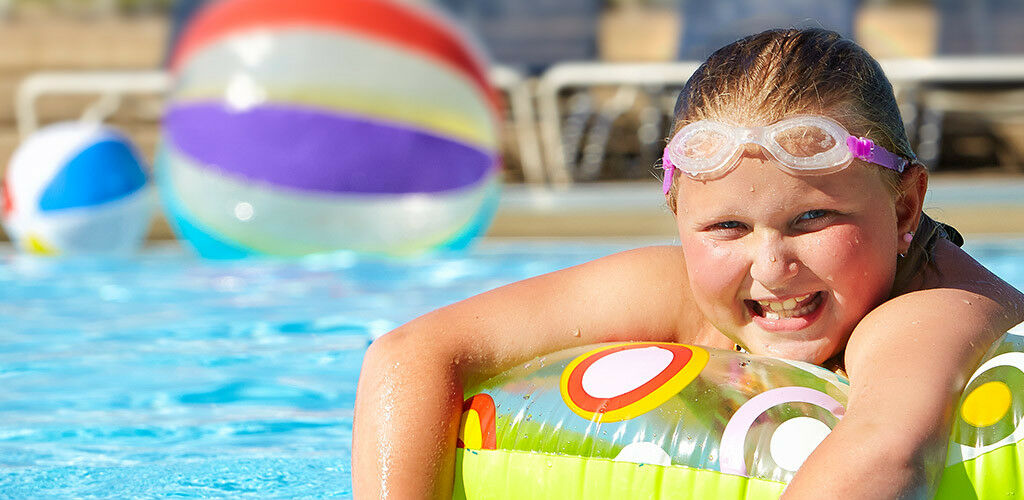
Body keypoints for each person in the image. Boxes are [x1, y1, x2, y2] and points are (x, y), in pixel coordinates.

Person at [352, 28, 1024, 498]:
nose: (770, 266)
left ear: (906, 209)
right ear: (678, 218)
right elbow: (409, 354)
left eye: (812, 219)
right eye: (727, 227)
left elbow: (886, 452)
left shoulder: (930, 311)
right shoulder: (672, 287)